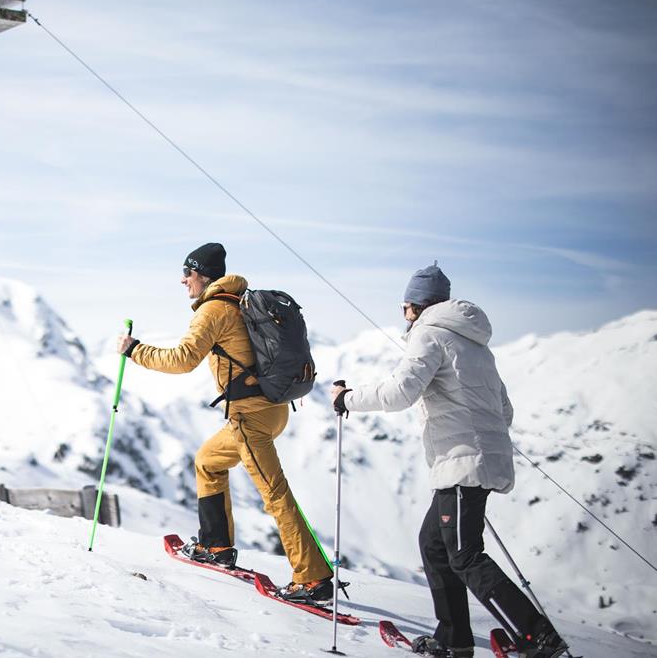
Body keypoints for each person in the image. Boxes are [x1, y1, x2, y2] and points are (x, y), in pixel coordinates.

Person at [330, 263, 568, 658]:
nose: (404, 316)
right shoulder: (475, 344)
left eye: (405, 307)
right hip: (476, 461)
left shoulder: (428, 334)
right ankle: (454, 637)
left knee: (463, 553)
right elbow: (504, 410)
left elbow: (400, 393)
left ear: (414, 306)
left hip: (462, 463)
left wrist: (347, 398)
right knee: (435, 545)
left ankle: (536, 635)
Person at [115, 242, 335, 602]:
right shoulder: (239, 300)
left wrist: (134, 349)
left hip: (250, 416)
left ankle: (312, 578)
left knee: (274, 492)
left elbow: (182, 360)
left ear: (202, 275)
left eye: (188, 273)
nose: (183, 280)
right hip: (270, 409)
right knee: (208, 460)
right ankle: (215, 545)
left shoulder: (213, 310)